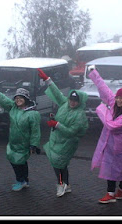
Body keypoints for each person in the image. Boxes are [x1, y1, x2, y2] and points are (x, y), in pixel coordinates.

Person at [87, 65, 122, 204]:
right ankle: (121, 190)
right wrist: (94, 73)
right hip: (111, 145)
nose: (119, 100)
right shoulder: (114, 103)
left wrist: (102, 110)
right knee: (116, 167)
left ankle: (112, 194)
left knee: (118, 167)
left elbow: (112, 125)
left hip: (119, 146)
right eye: (118, 97)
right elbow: (104, 89)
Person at [37, 68, 89, 197]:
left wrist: (57, 125)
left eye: (75, 101)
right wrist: (47, 80)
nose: (72, 102)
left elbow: (72, 132)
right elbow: (56, 93)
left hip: (67, 142)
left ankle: (61, 184)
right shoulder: (65, 103)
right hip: (57, 139)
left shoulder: (80, 115)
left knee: (58, 163)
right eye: (71, 100)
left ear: (79, 102)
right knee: (61, 164)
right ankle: (66, 184)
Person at [0, 81, 41, 192]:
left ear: (26, 99)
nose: (18, 100)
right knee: (16, 161)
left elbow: (35, 131)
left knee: (19, 162)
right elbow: (3, 99)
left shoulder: (33, 114)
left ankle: (21, 180)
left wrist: (34, 145)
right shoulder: (13, 108)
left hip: (24, 144)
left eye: (21, 98)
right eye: (16, 98)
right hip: (13, 143)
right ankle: (24, 180)